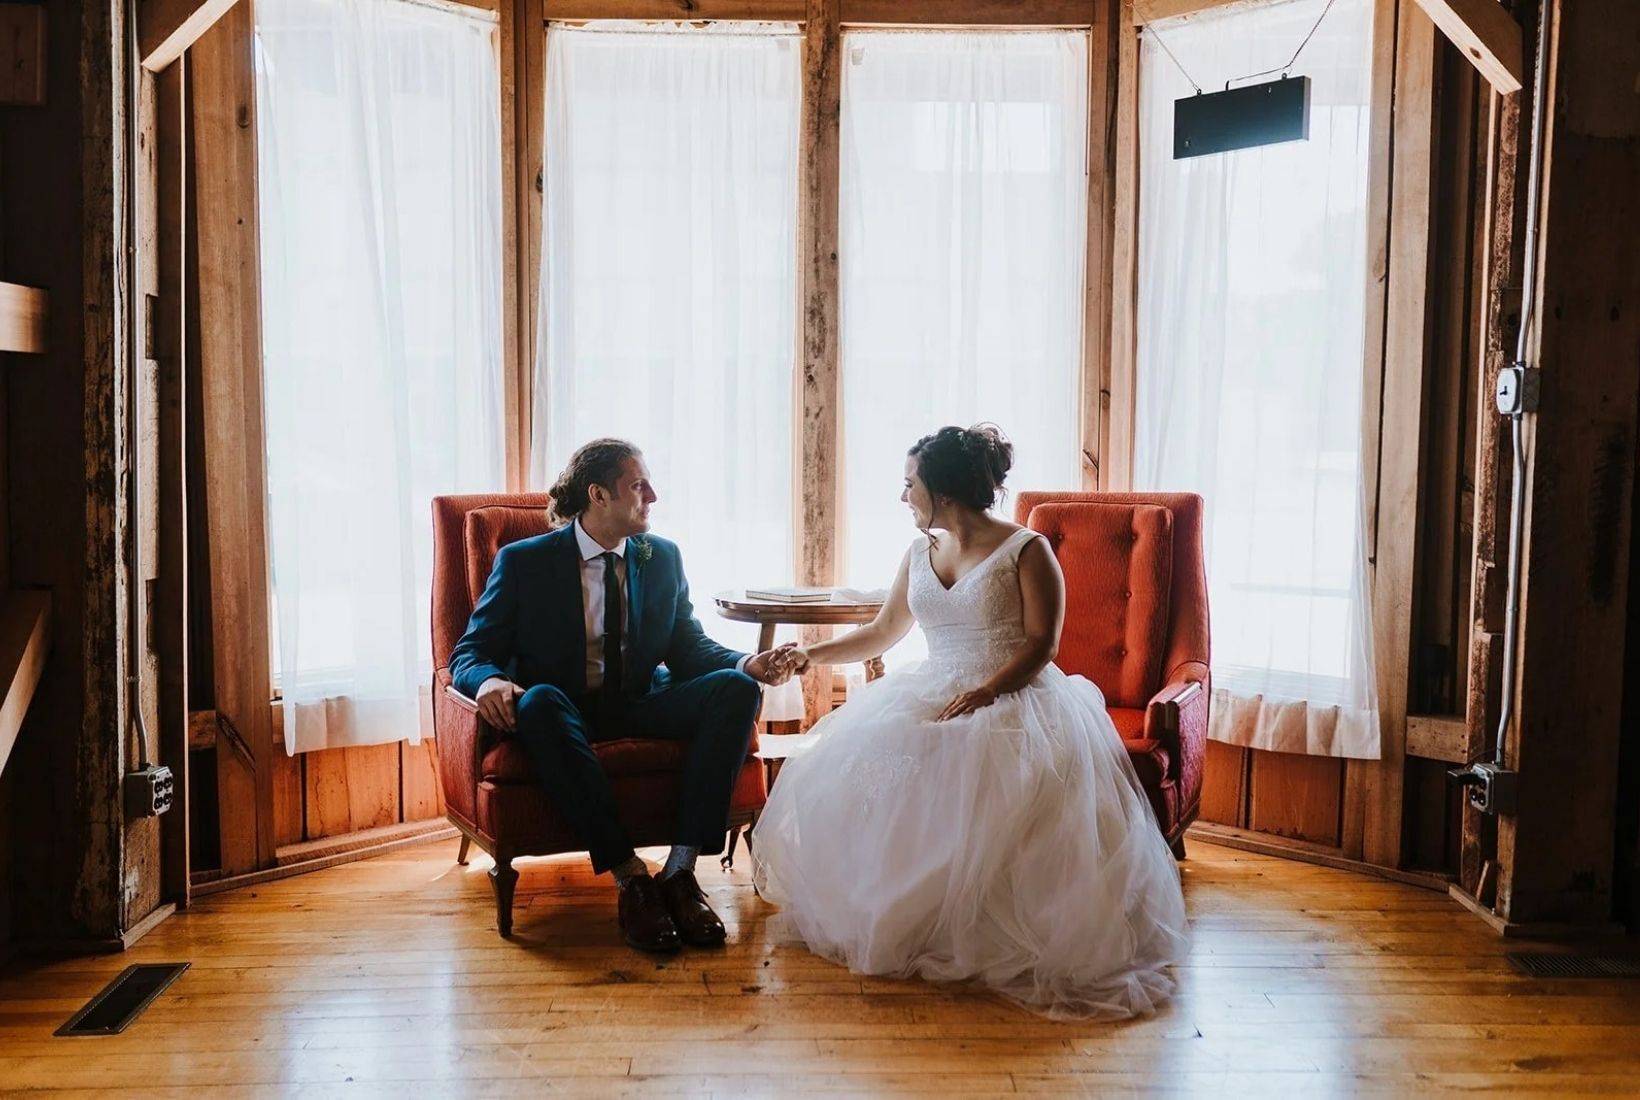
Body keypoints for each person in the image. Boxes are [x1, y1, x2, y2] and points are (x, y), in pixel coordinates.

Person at [752, 424, 1189, 1019]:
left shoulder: (1027, 550)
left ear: (944, 491)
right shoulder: (919, 551)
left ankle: (990, 929)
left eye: (911, 485)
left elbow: (1043, 643)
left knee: (979, 770)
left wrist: (987, 691)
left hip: (1014, 695)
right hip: (933, 685)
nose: (903, 496)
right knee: (871, 760)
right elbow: (884, 631)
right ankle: (909, 918)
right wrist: (810, 654)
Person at [451, 438, 795, 953]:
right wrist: (491, 681)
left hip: (639, 703)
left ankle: (679, 874)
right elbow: (470, 652)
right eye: (638, 485)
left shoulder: (663, 557)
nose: (653, 495)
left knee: (737, 689)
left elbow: (687, 646)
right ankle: (630, 877)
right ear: (598, 494)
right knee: (538, 701)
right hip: (564, 712)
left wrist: (748, 662)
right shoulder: (524, 562)